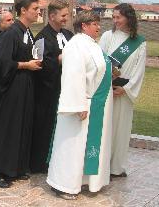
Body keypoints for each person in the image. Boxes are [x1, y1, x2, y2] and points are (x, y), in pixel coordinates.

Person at [47, 11, 113, 200]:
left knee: (83, 147)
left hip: (94, 104)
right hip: (80, 106)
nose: (98, 27)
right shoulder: (76, 45)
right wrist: (78, 105)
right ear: (84, 26)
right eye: (94, 23)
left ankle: (82, 179)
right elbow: (72, 76)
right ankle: (63, 184)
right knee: (71, 147)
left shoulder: (91, 44)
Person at [0, 0, 42, 188]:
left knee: (20, 126)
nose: (38, 12)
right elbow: (1, 63)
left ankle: (14, 167)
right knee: (6, 127)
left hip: (23, 87)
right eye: (35, 8)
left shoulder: (27, 32)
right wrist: (26, 65)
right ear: (23, 11)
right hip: (9, 88)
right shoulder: (11, 33)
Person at [98, 3, 146, 178]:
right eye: (114, 17)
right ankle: (103, 167)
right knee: (106, 127)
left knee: (121, 129)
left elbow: (139, 70)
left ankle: (116, 167)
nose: (115, 20)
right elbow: (99, 62)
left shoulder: (139, 42)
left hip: (124, 91)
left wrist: (126, 89)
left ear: (129, 18)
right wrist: (108, 85)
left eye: (119, 17)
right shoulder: (107, 36)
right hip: (108, 89)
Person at [29, 0, 74, 173]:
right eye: (63, 15)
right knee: (44, 127)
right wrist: (60, 59)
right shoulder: (41, 37)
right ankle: (40, 163)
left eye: (67, 15)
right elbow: (40, 64)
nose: (65, 18)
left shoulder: (69, 35)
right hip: (47, 91)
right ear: (52, 16)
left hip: (65, 89)